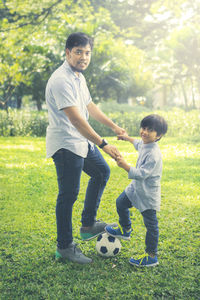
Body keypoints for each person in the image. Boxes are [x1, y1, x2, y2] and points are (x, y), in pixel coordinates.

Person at [45, 32, 125, 264]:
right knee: (68, 194)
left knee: (101, 172)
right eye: (78, 52)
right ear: (68, 52)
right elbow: (78, 121)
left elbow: (89, 106)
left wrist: (113, 126)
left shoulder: (78, 77)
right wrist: (104, 144)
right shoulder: (61, 80)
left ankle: (88, 225)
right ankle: (65, 247)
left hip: (82, 141)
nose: (83, 57)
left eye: (87, 52)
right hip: (66, 144)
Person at [105, 114, 168, 267]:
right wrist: (126, 137)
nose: (144, 132)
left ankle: (151, 255)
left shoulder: (154, 154)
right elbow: (137, 143)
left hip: (147, 193)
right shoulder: (146, 144)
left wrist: (124, 165)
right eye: (143, 128)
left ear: (158, 135)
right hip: (135, 189)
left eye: (150, 130)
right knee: (120, 202)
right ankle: (125, 229)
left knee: (151, 225)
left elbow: (141, 174)